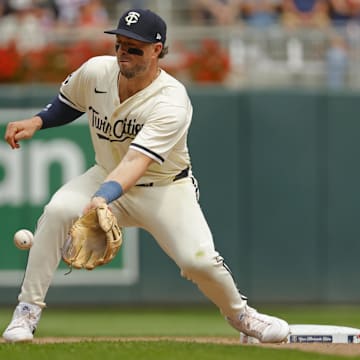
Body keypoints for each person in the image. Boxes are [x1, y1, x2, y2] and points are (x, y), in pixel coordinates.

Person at [2, 8, 289, 343]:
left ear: (157, 49)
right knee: (57, 212)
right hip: (106, 173)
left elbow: (136, 162)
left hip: (164, 189)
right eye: (120, 44)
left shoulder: (171, 100)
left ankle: (243, 316)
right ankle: (26, 312)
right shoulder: (97, 72)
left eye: (134, 47)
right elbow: (68, 102)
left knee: (199, 262)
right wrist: (37, 121)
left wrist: (101, 198)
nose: (124, 52)